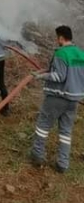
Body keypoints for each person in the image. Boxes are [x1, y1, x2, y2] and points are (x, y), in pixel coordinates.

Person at [31, 25, 84, 172]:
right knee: (66, 131)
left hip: (57, 96)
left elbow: (58, 76)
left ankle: (37, 155)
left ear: (61, 37)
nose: (57, 40)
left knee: (43, 126)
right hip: (73, 99)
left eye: (57, 37)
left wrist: (40, 76)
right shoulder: (81, 54)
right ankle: (63, 164)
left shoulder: (61, 53)